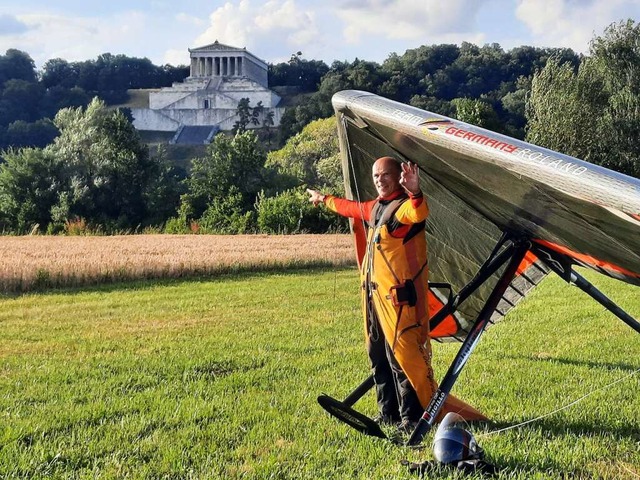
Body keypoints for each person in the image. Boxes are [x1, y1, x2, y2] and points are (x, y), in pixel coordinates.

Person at [307, 156, 487, 431]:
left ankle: (411, 418)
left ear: (397, 178)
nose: (380, 180)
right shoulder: (375, 208)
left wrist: (415, 192)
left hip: (401, 303)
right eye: (376, 176)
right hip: (374, 301)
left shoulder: (402, 210)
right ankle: (388, 413)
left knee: (403, 361)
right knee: (378, 357)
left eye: (385, 175)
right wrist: (323, 199)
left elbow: (418, 212)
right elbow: (350, 209)